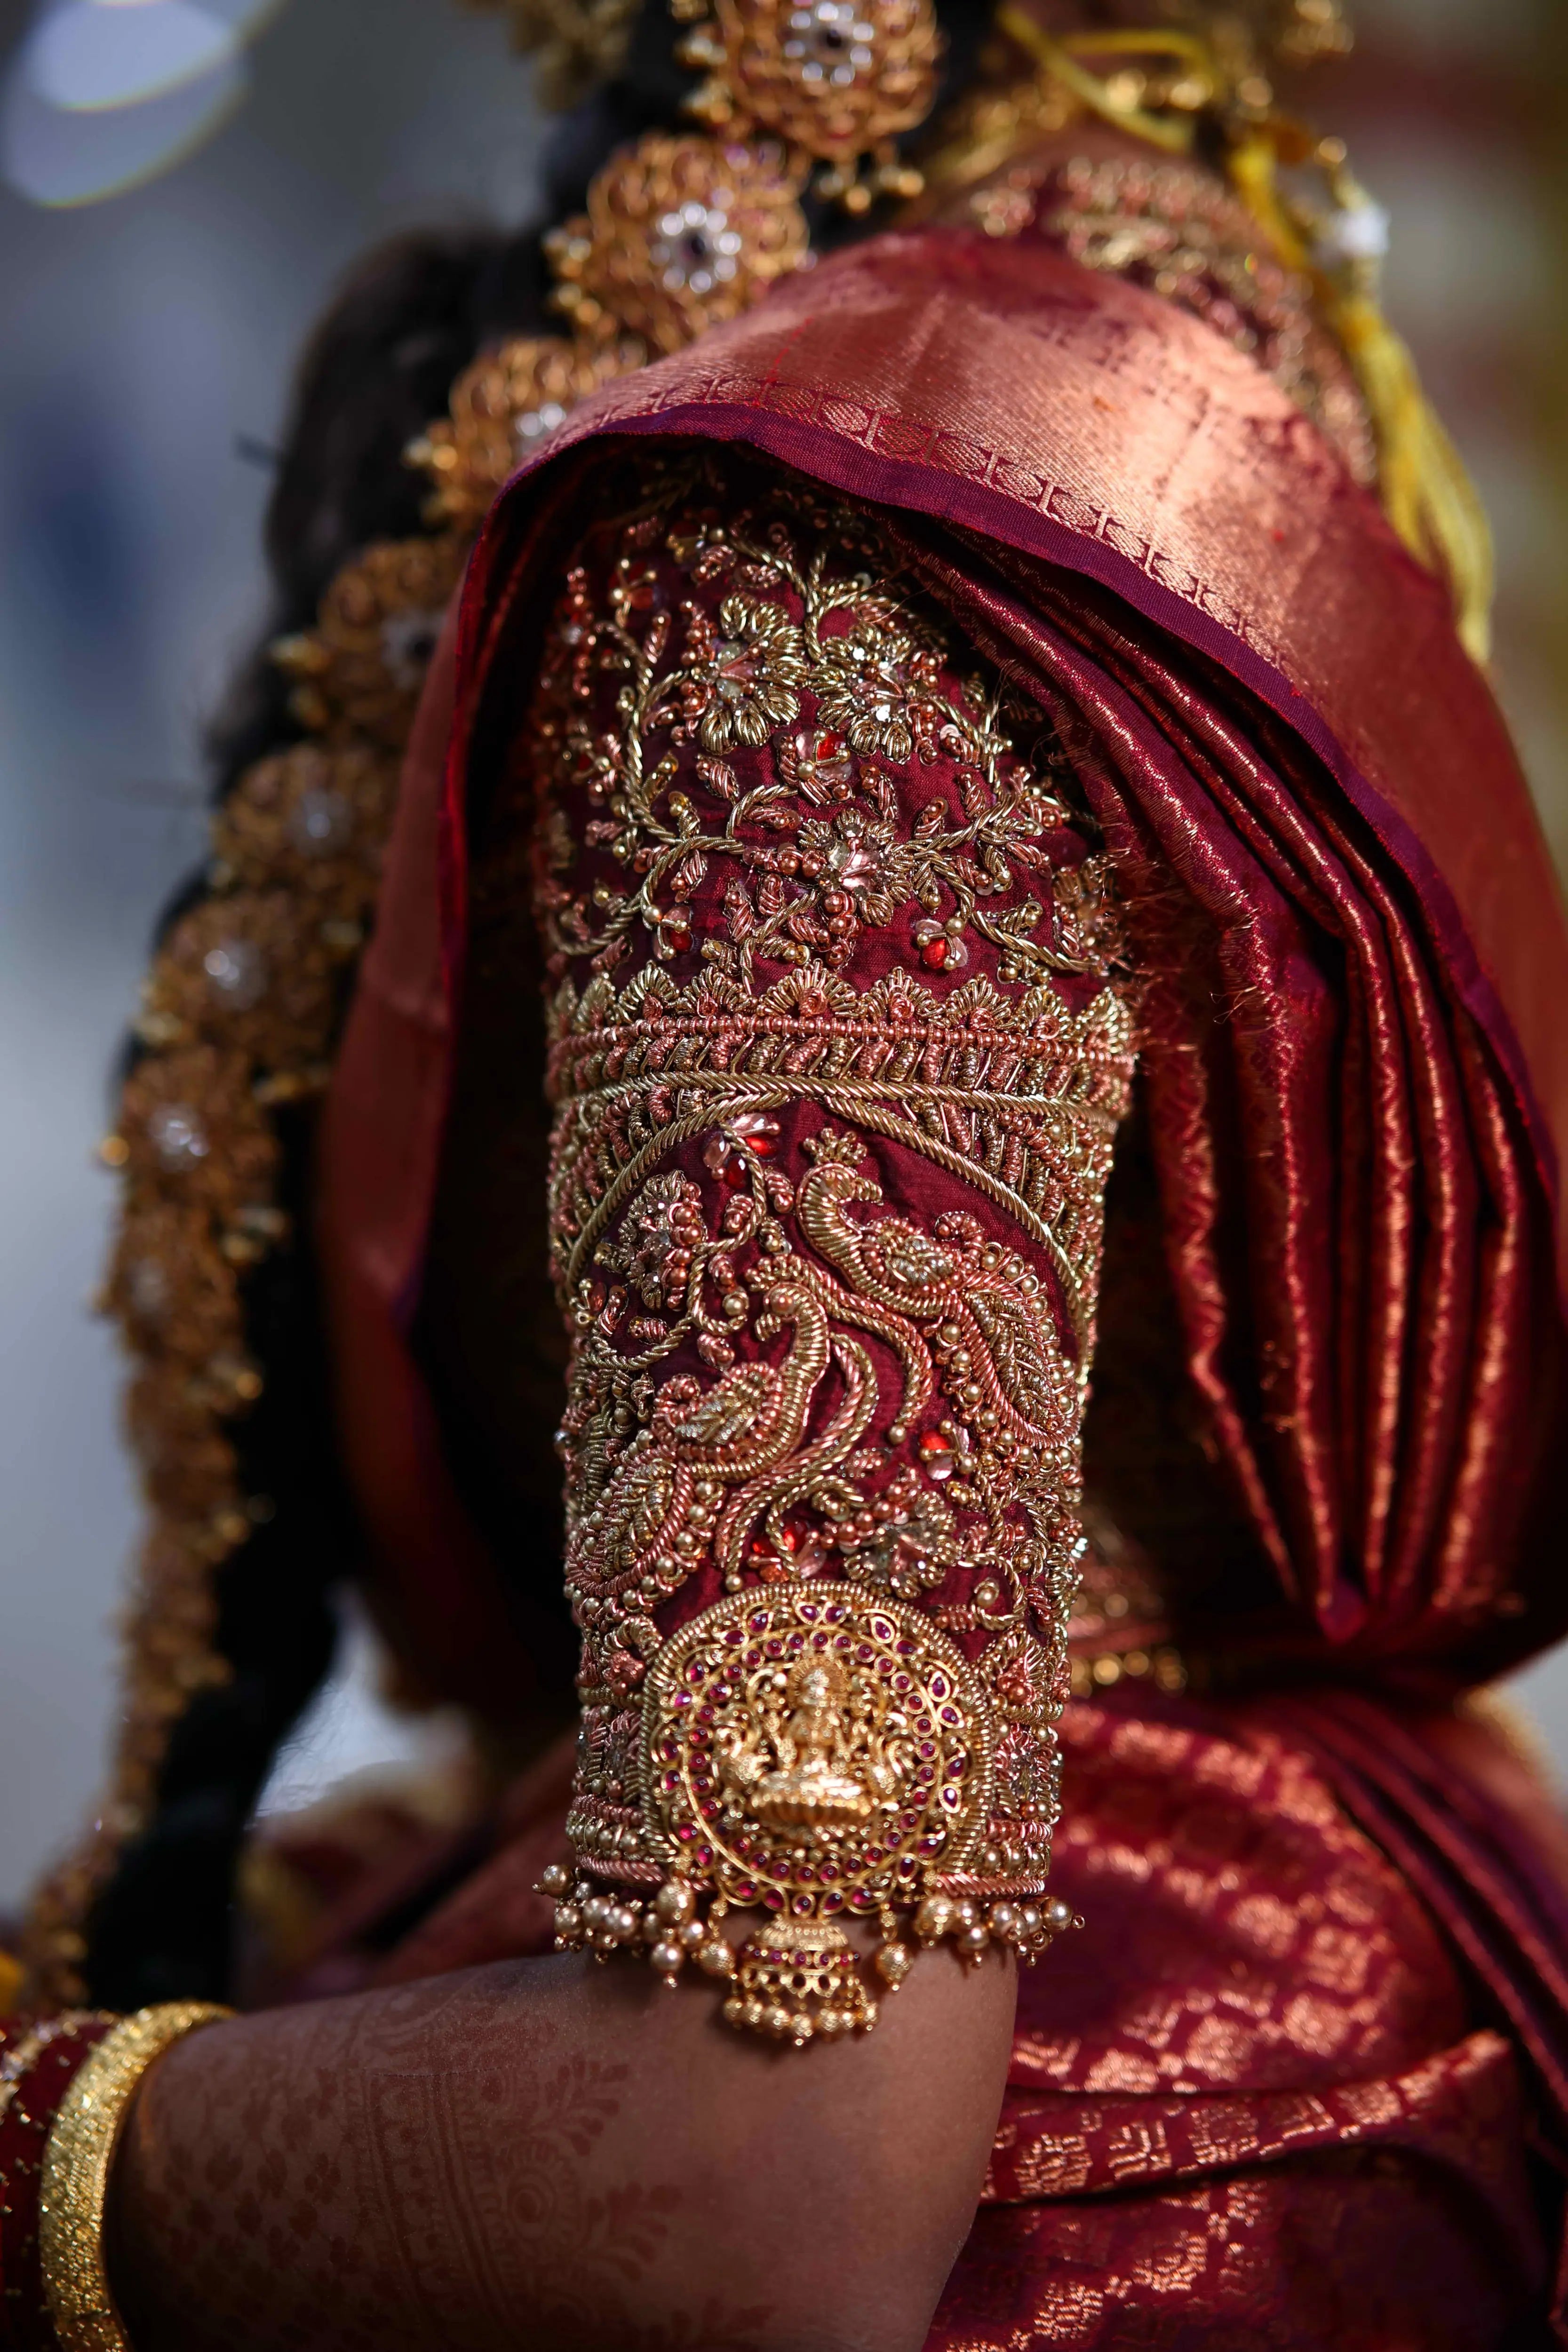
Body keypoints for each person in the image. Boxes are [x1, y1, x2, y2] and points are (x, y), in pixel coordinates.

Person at [5, 0, 1568, 2344]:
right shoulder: (1137, 270)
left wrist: (46, 2143)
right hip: (1301, 1966)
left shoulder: (819, 505)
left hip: (1063, 2170)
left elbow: (745, 2160)